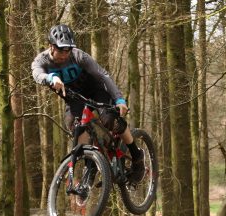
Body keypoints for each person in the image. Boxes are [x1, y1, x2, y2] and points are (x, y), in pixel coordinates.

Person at [31, 24, 144, 183]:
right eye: (61, 50)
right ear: (51, 46)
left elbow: (103, 75)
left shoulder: (79, 56)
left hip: (96, 92)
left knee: (109, 121)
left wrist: (119, 99)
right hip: (74, 98)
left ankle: (136, 154)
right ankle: (90, 166)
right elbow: (37, 73)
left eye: (67, 50)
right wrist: (51, 78)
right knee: (77, 127)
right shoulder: (41, 60)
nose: (65, 54)